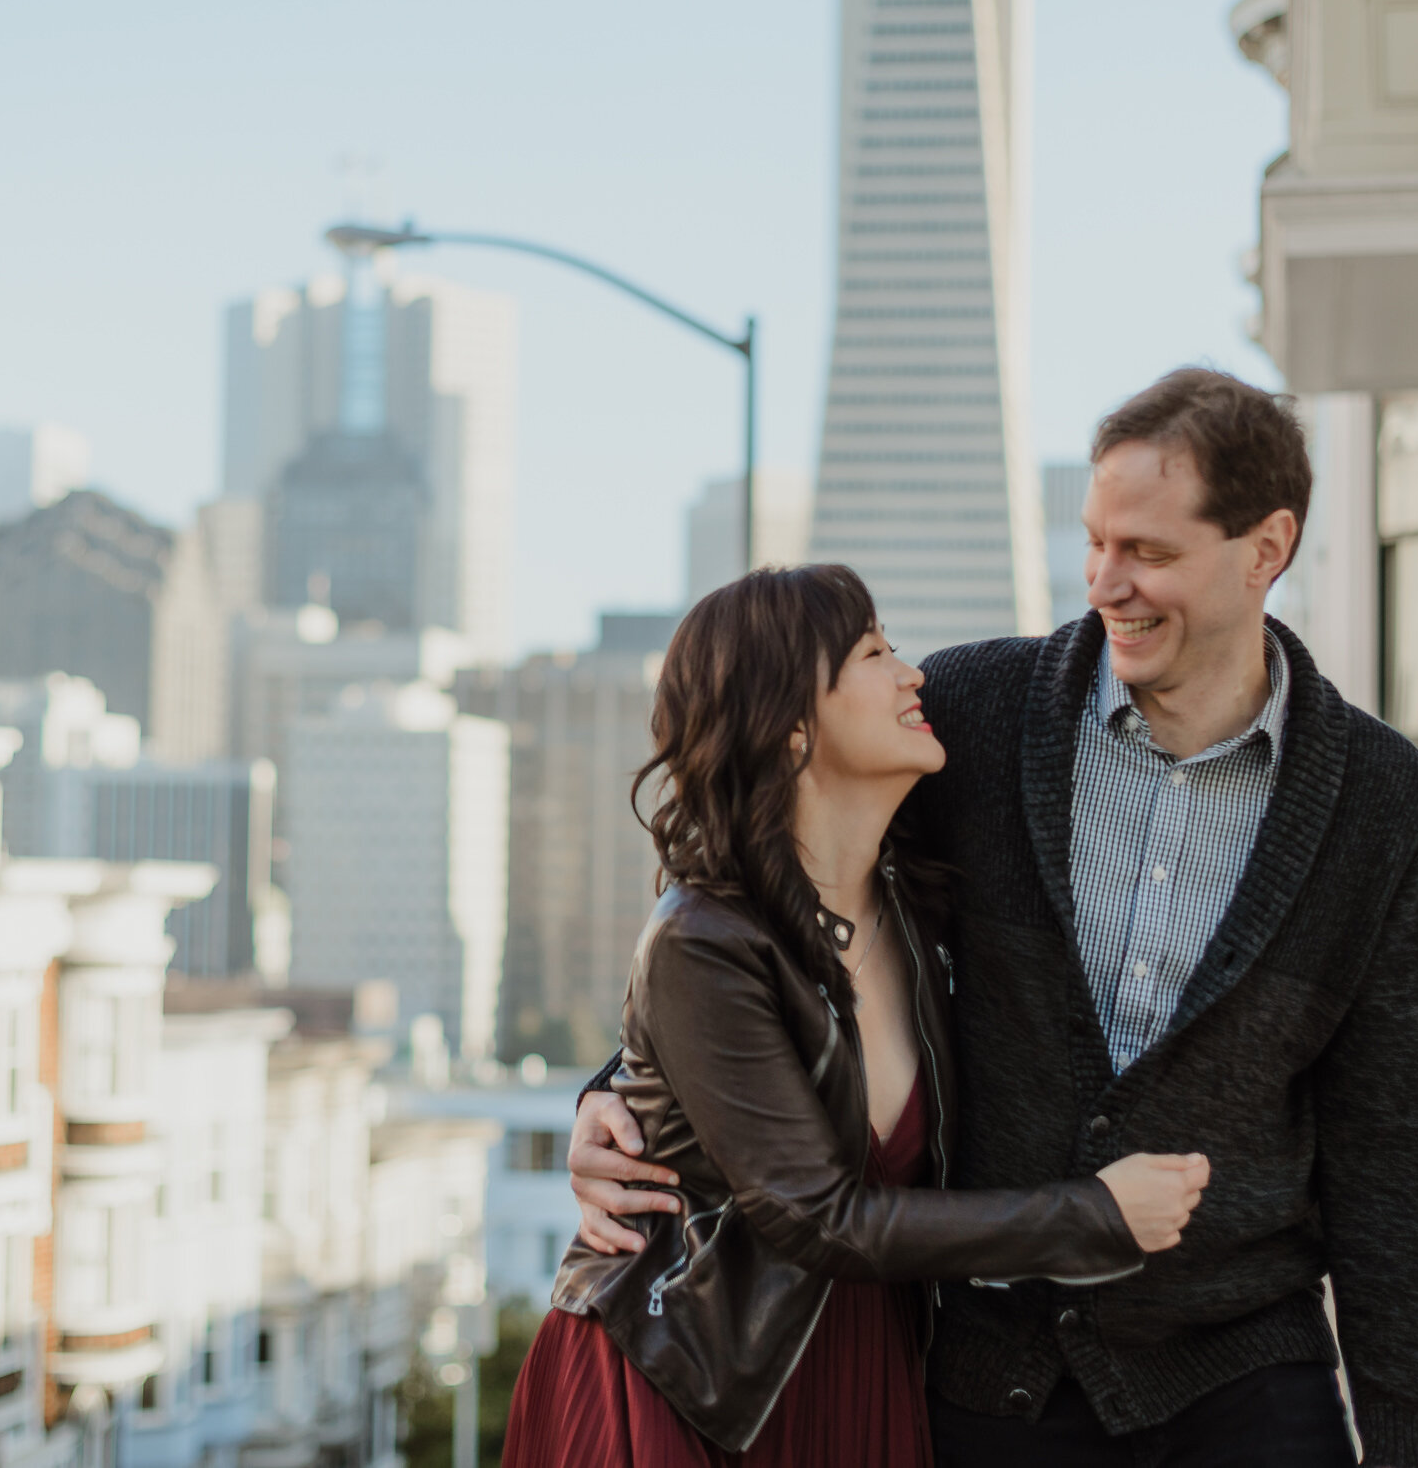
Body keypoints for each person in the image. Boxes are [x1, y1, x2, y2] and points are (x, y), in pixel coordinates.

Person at [571, 369, 1418, 1468]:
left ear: (1266, 548)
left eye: (1149, 553)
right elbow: (774, 890)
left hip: (1244, 1364)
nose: (1105, 584)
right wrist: (619, 1090)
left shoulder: (1373, 797)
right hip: (995, 1370)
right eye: (1093, 542)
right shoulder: (977, 716)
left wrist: (1404, 1436)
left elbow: (1388, 1138)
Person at [505, 563, 1213, 1467]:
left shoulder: (918, 906)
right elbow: (818, 1216)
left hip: (865, 1375)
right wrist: (1095, 1217)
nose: (913, 675)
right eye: (875, 653)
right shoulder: (703, 940)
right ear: (793, 729)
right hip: (686, 1380)